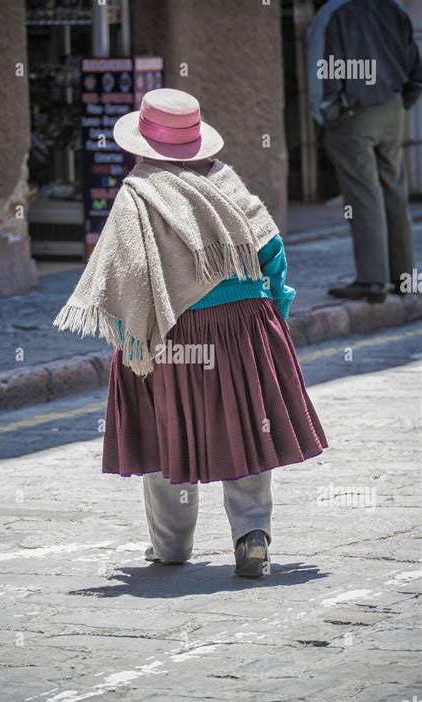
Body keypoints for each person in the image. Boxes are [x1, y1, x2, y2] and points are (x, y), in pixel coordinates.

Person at [54, 88, 328, 578]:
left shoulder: (138, 195)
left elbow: (122, 275)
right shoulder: (227, 184)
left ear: (142, 145)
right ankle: (252, 536)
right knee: (246, 428)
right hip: (244, 324)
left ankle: (171, 547)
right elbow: (273, 255)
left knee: (166, 431)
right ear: (199, 143)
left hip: (172, 334)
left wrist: (132, 332)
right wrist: (276, 314)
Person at [307, 0, 422, 303]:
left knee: (363, 195)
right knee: (394, 189)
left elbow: (320, 70)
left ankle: (373, 281)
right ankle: (404, 277)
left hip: (353, 113)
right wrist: (403, 101)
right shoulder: (395, 7)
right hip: (392, 107)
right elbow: (414, 62)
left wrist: (326, 115)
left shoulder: (331, 13)